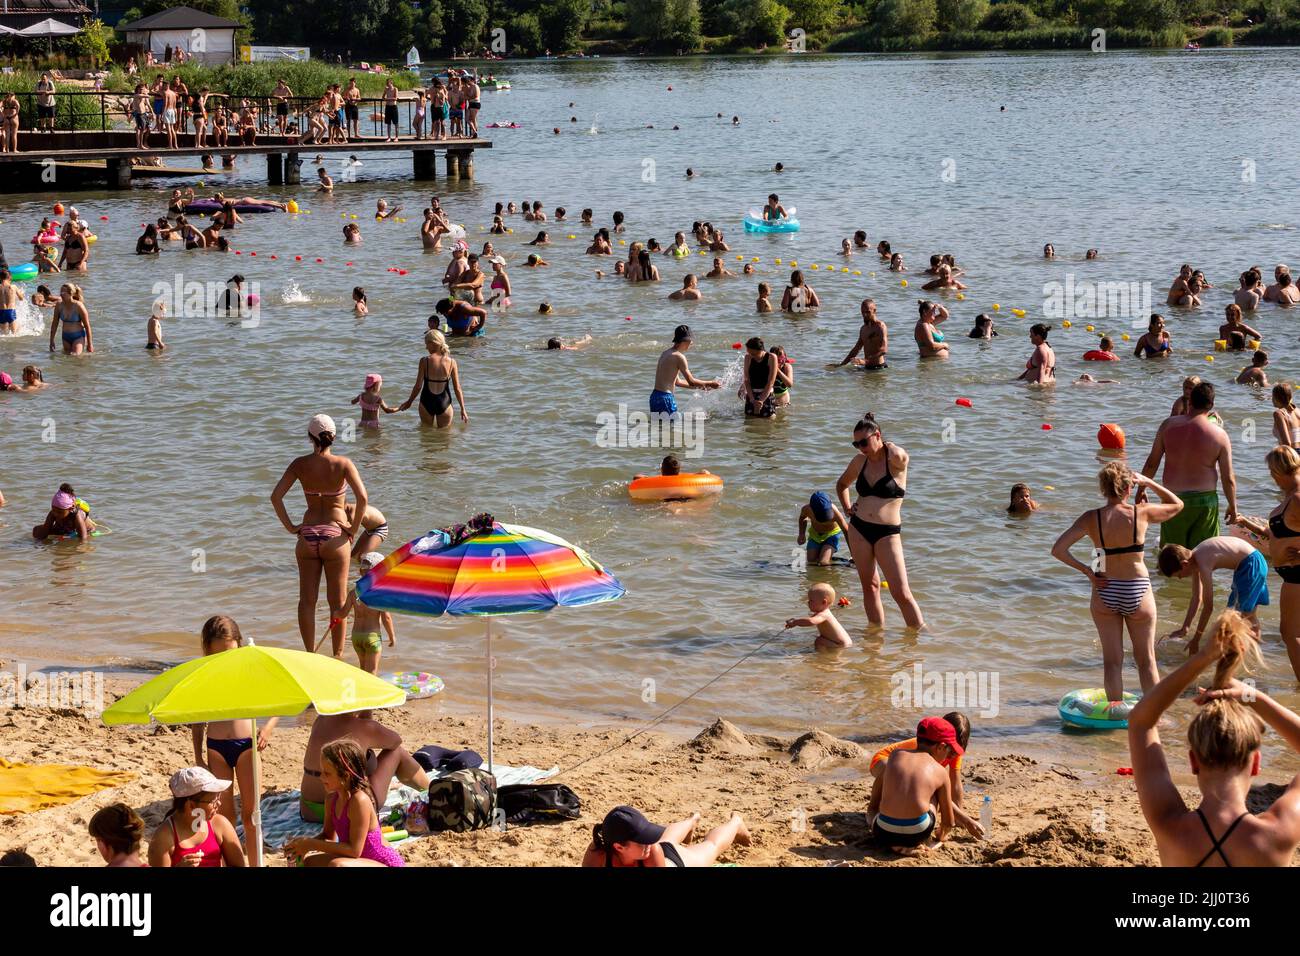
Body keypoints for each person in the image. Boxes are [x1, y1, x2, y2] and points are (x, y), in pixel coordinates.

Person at [1128, 610, 1300, 866]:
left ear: (1194, 761)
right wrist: (1254, 697)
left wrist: (1202, 658)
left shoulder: (1169, 825)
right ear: (1255, 763)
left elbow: (1140, 723)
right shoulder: (1277, 833)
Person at [1051, 463, 1183, 701]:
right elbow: (1178, 505)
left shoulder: (1091, 518)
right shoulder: (1140, 513)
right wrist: (1150, 483)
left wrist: (1088, 572)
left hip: (1105, 590)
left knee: (1112, 662)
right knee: (1146, 660)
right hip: (1138, 590)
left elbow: (1058, 550)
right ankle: (1153, 718)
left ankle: (1113, 714)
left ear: (1103, 489)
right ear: (1128, 489)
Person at [270, 415, 368, 656]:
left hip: (308, 535)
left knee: (307, 601)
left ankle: (310, 654)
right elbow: (363, 499)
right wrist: (353, 529)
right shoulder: (343, 464)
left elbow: (276, 497)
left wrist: (291, 527)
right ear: (333, 437)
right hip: (334, 535)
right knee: (337, 602)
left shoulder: (299, 464)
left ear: (310, 437)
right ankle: (336, 656)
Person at [191, 616, 278, 861]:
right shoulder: (205, 674)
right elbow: (197, 718)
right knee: (224, 817)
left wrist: (268, 727)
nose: (225, 659)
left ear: (238, 644)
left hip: (247, 746)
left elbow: (279, 699)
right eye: (218, 654)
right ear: (207, 650)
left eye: (229, 652)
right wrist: (198, 755)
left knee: (252, 816)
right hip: (216, 747)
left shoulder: (248, 669)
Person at [835, 414, 924, 629]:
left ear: (877, 436)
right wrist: (848, 508)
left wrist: (889, 446)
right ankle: (875, 636)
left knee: (901, 592)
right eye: (856, 443)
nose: (860, 447)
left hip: (887, 533)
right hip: (859, 529)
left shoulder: (894, 460)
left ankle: (920, 636)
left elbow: (903, 457)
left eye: (864, 442)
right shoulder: (859, 461)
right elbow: (842, 484)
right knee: (870, 586)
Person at [1141, 381, 1237, 548]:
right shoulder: (1220, 435)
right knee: (1203, 557)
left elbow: (1151, 463)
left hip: (1172, 500)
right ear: (1212, 405)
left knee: (1171, 558)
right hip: (1205, 503)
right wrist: (1233, 507)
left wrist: (1141, 490)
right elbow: (1228, 478)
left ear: (1190, 401)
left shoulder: (1167, 425)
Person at [1232, 446, 1300, 681]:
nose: (1271, 477)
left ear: (1280, 470)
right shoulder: (1290, 497)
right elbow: (1276, 535)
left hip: (1297, 574)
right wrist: (1247, 524)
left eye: (1272, 472)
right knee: (1291, 632)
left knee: (1290, 633)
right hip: (1291, 576)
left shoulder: (1298, 498)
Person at [287, 740, 405, 867]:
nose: (321, 777)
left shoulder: (359, 801)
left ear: (345, 776)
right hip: (359, 861)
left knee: (338, 865)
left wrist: (310, 844)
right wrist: (299, 845)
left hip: (384, 863)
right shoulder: (331, 799)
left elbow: (354, 851)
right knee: (309, 863)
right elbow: (328, 837)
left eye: (327, 773)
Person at [298, 711, 429, 823]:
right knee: (397, 752)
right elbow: (396, 741)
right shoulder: (366, 727)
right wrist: (367, 714)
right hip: (350, 811)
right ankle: (430, 790)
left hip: (309, 810)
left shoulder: (320, 720)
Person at [868, 717, 973, 851]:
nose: (948, 755)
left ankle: (884, 834)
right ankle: (912, 845)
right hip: (917, 833)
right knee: (933, 792)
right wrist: (941, 836)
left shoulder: (895, 755)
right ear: (941, 747)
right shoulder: (940, 771)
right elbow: (949, 823)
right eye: (948, 750)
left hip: (883, 831)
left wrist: (872, 812)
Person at [1158, 537, 1268, 648]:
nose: (1181, 578)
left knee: (1234, 618)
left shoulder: (1203, 562)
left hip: (1251, 566)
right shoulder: (1194, 559)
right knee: (1247, 616)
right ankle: (1256, 650)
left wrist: (1196, 640)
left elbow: (1208, 607)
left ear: (1184, 564)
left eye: (1179, 575)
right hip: (1252, 563)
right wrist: (1185, 627)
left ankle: (1246, 651)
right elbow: (1197, 598)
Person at [581, 806, 750, 867]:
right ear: (618, 847)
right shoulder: (598, 853)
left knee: (711, 847)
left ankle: (736, 822)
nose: (649, 842)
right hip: (655, 855)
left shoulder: (651, 849)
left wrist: (647, 846)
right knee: (666, 840)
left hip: (671, 862)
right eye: (642, 840)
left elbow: (654, 846)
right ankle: (691, 821)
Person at [147, 768, 245, 867]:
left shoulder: (219, 824)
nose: (219, 803)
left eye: (218, 797)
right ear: (191, 805)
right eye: (212, 800)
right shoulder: (163, 837)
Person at [336, 552, 396, 674]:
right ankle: (371, 692)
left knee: (362, 671)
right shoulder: (379, 594)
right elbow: (386, 618)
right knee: (372, 672)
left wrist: (335, 614)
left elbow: (343, 614)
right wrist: (391, 636)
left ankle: (362, 691)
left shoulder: (353, 593)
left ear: (360, 571)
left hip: (356, 637)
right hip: (372, 638)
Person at [399, 328, 468, 427]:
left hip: (426, 402)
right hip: (445, 402)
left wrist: (410, 402)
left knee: (426, 437)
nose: (426, 347)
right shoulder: (452, 362)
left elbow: (418, 386)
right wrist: (463, 409)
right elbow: (457, 388)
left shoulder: (424, 361)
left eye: (427, 344)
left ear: (433, 343)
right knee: (444, 438)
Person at [651, 324, 720, 417]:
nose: (691, 343)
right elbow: (691, 381)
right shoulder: (679, 357)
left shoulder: (665, 353)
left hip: (655, 397)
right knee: (671, 428)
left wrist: (703, 387)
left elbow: (677, 382)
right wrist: (711, 383)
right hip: (665, 399)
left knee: (660, 427)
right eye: (691, 340)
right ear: (685, 340)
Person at [786, 582, 852, 649]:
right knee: (819, 638)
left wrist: (795, 622)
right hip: (840, 642)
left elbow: (811, 621)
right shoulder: (824, 612)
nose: (808, 602)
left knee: (819, 641)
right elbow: (807, 621)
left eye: (811, 600)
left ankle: (823, 656)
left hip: (840, 644)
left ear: (824, 602)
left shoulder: (823, 615)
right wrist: (794, 622)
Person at [797, 491, 849, 566]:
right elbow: (802, 518)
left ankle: (827, 561)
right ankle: (829, 558)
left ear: (830, 503)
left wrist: (853, 555)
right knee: (811, 561)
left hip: (831, 535)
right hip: (814, 535)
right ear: (811, 507)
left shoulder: (835, 511)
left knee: (823, 562)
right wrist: (801, 534)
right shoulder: (806, 509)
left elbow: (846, 531)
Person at [838, 299, 887, 369]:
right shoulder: (863, 328)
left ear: (874, 311)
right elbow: (856, 349)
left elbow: (883, 350)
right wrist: (841, 365)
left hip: (879, 367)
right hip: (867, 366)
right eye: (863, 312)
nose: (865, 315)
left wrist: (865, 361)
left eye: (868, 312)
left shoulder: (880, 326)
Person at [739, 336, 778, 418]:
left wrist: (761, 401)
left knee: (769, 422)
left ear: (760, 350)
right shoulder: (748, 357)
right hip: (751, 394)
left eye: (754, 354)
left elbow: (771, 381)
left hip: (767, 394)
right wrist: (752, 400)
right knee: (749, 422)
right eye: (749, 353)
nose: (751, 355)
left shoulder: (771, 357)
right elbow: (746, 380)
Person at [1273, 383, 1300, 448]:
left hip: (1292, 453)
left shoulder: (1279, 413)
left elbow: (1286, 443)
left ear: (1276, 398)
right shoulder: (1298, 411)